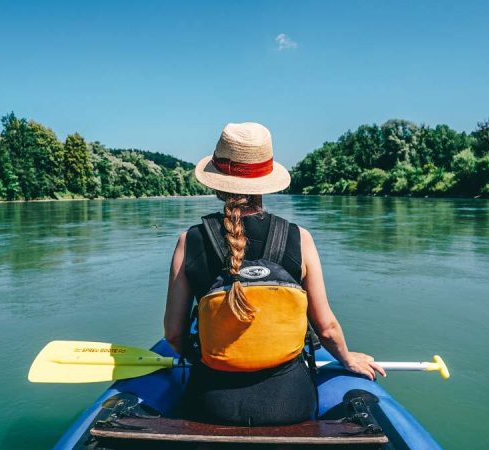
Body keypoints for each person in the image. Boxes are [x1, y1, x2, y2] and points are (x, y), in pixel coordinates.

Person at [163, 122, 385, 426]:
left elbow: (173, 334)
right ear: (266, 181)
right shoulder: (299, 237)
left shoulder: (189, 241)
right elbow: (326, 328)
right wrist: (347, 358)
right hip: (290, 402)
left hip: (210, 402)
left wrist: (198, 356)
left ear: (215, 181)